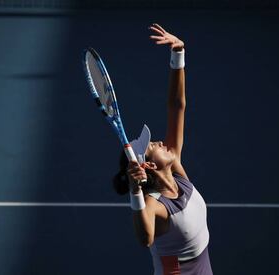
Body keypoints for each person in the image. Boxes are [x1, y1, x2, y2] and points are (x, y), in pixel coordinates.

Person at [113, 23, 213, 275]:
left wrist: (178, 55)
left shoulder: (178, 173)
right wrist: (135, 189)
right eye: (150, 147)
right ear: (149, 165)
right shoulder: (154, 205)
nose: (158, 142)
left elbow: (176, 106)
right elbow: (145, 238)